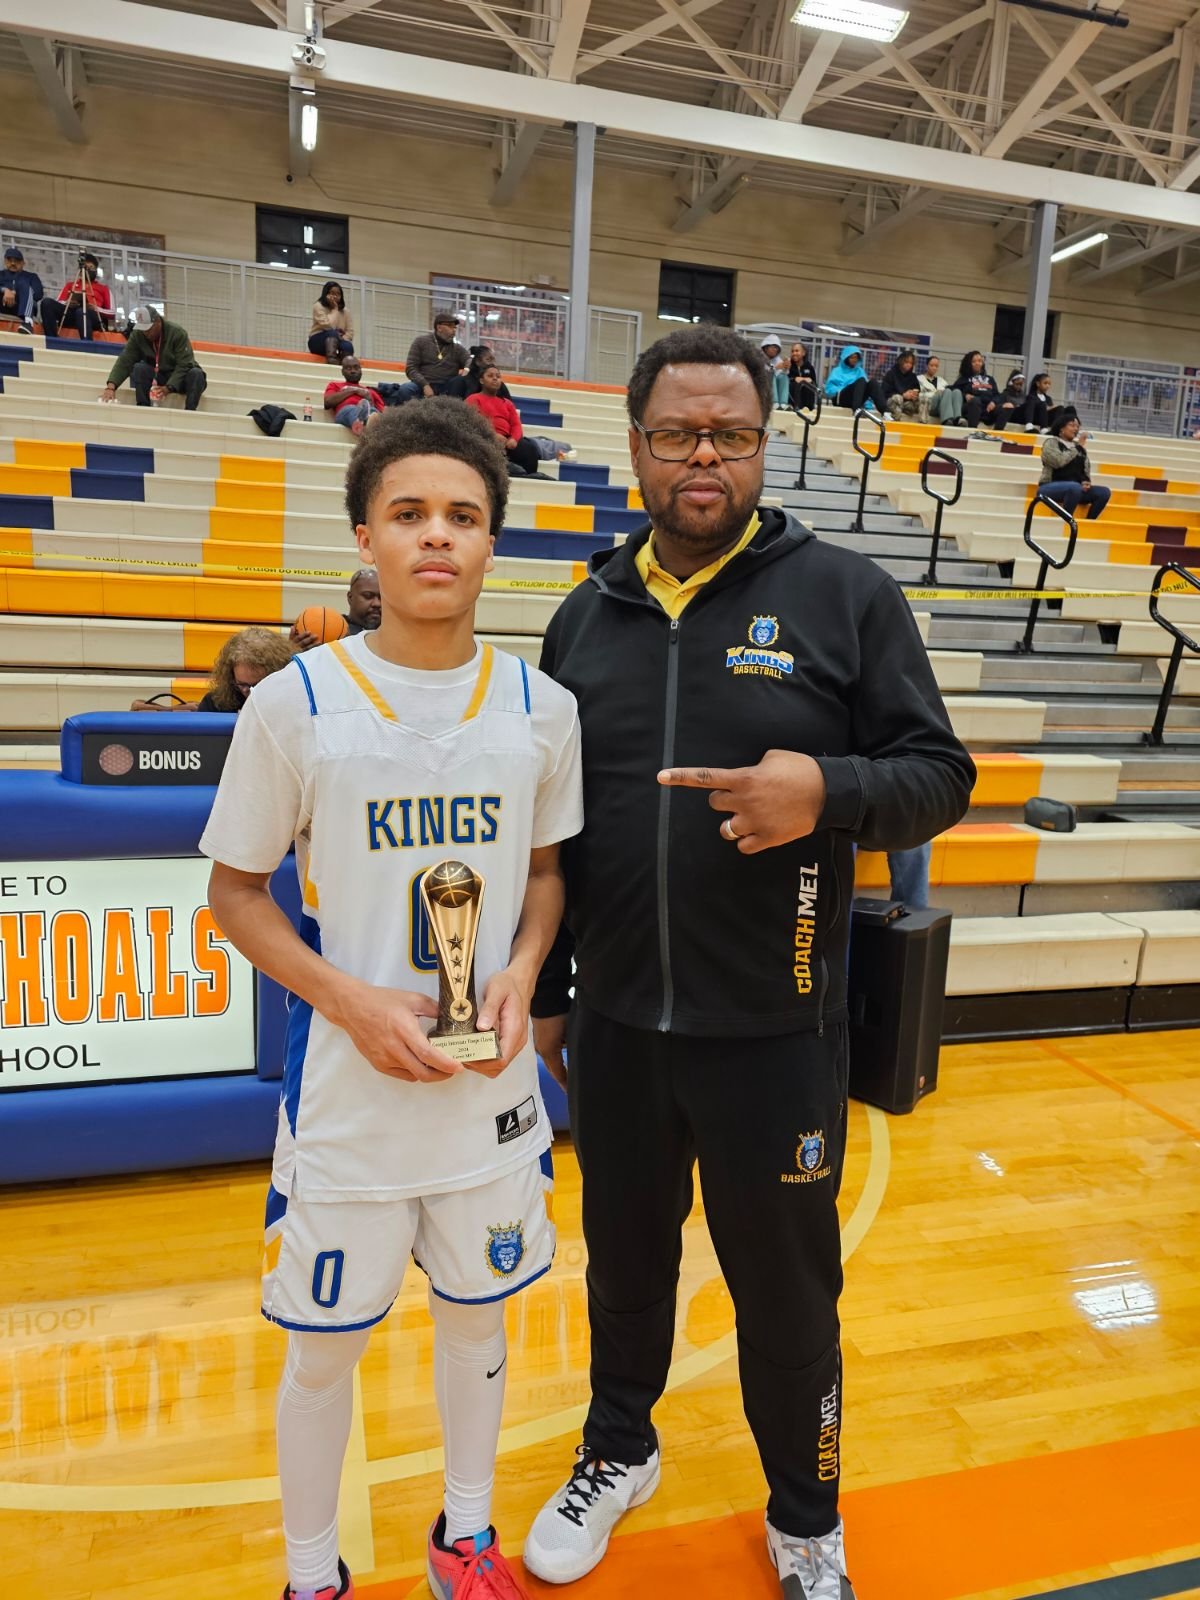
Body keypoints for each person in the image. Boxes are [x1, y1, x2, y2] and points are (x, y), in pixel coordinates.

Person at [522, 326, 975, 1599]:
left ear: (765, 445)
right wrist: (556, 995)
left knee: (788, 1298)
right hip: (616, 1027)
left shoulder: (846, 596)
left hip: (777, 1035)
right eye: (678, 435)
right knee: (623, 1267)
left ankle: (806, 1515)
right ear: (637, 450)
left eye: (729, 433)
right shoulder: (584, 615)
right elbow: (559, 834)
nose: (703, 457)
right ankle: (620, 1448)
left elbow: (940, 774)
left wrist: (823, 789)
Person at [201, 398, 583, 1600]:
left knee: (481, 1326)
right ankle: (311, 1574)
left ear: (491, 542)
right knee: (322, 1350)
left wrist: (520, 974)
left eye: (463, 517)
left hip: (488, 1095)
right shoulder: (296, 702)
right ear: (364, 535)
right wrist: (350, 1001)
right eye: (409, 513)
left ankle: (463, 1540)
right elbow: (237, 894)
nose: (437, 537)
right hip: (354, 1099)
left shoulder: (542, 707)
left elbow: (544, 877)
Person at [129, 626, 293, 712]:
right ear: (231, 677)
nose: (249, 692)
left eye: (257, 685)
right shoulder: (215, 703)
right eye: (242, 685)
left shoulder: (293, 700)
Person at [100, 305, 208, 410]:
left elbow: (184, 364)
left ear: (158, 322)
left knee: (196, 374)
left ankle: (190, 411)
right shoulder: (138, 334)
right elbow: (125, 360)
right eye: (143, 329)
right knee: (139, 368)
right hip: (160, 375)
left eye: (149, 329)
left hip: (181, 377)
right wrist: (111, 387)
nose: (146, 333)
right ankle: (143, 407)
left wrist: (169, 387)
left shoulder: (177, 333)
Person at [466, 364, 542, 476]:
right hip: (485, 438)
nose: (495, 378)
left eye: (498, 376)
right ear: (481, 380)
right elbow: (472, 422)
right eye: (490, 376)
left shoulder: (507, 403)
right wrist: (492, 435)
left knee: (529, 448)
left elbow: (516, 425)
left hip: (507, 442)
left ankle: (528, 477)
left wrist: (514, 439)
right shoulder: (473, 399)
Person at [1039, 411, 1111, 520]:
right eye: (1072, 425)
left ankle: (1089, 522)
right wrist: (1078, 447)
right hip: (1050, 487)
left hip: (1075, 489)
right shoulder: (1051, 443)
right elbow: (1059, 461)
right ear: (1061, 428)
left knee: (1104, 492)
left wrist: (1086, 481)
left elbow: (1084, 470)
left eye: (1077, 426)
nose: (1075, 429)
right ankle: (1066, 520)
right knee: (1074, 487)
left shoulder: (1079, 448)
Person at [289, 569, 382, 652]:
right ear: (350, 597)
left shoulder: (392, 635)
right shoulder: (327, 627)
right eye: (368, 596)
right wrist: (291, 652)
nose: (377, 603)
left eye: (382, 597)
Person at [391, 313, 471, 403]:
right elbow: (411, 368)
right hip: (422, 384)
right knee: (406, 389)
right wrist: (425, 385)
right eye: (450, 326)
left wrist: (467, 370)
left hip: (447, 387)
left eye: (454, 327)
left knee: (459, 381)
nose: (454, 330)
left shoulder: (457, 348)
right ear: (439, 328)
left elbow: (469, 360)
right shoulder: (421, 342)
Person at [40, 251, 113, 340]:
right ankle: (52, 339)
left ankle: (87, 344)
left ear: (96, 270)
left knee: (82, 311)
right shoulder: (71, 285)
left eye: (91, 267)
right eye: (86, 268)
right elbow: (59, 301)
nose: (88, 270)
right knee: (47, 303)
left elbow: (112, 313)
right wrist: (67, 303)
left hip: (92, 317)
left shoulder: (103, 288)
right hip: (71, 314)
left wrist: (95, 308)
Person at [324, 355, 384, 434]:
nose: (353, 371)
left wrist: (369, 399)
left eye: (356, 368)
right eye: (348, 368)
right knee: (352, 409)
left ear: (360, 370)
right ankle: (361, 424)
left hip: (369, 411)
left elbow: (382, 411)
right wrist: (353, 391)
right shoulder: (334, 385)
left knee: (373, 412)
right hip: (345, 412)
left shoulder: (370, 391)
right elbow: (327, 402)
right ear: (342, 371)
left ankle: (366, 425)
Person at [824, 344, 887, 414]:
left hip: (856, 400)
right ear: (846, 358)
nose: (854, 360)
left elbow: (865, 388)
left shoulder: (860, 371)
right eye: (852, 357)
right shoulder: (837, 371)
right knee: (861, 381)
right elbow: (828, 390)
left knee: (873, 382)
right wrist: (844, 389)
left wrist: (868, 405)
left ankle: (884, 412)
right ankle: (856, 410)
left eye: (856, 358)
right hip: (841, 398)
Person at [308, 282, 354, 363]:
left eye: (338, 294)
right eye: (332, 293)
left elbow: (350, 332)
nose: (335, 296)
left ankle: (346, 366)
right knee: (332, 333)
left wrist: (340, 338)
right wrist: (335, 309)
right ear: (326, 294)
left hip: (338, 340)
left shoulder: (345, 311)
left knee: (348, 346)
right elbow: (329, 326)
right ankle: (331, 360)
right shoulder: (318, 306)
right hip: (317, 341)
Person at [1, 246, 43, 333]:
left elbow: (38, 295)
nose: (13, 263)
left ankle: (28, 323)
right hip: (3, 304)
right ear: (5, 261)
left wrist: (16, 293)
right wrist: (5, 290)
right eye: (10, 260)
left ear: (23, 263)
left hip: (23, 306)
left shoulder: (31, 277)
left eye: (16, 261)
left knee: (24, 284)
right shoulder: (1, 274)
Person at [953, 351, 1000, 431]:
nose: (977, 363)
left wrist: (993, 402)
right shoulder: (964, 379)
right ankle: (972, 430)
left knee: (1005, 407)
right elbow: (955, 391)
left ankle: (999, 432)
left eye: (979, 361)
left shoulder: (990, 379)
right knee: (975, 400)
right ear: (968, 364)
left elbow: (997, 395)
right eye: (974, 361)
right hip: (971, 407)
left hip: (988, 409)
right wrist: (965, 395)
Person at [917, 355, 965, 425]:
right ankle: (947, 419)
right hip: (929, 405)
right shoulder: (919, 379)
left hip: (941, 407)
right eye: (932, 365)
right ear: (926, 366)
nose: (934, 368)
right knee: (946, 391)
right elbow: (919, 395)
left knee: (956, 392)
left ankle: (957, 418)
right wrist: (936, 394)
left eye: (936, 366)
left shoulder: (942, 381)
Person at [881, 348, 922, 420]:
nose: (909, 365)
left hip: (907, 404)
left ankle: (923, 423)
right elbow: (884, 392)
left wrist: (913, 395)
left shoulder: (913, 376)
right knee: (897, 398)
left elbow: (917, 390)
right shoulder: (891, 374)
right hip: (892, 402)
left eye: (911, 363)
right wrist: (903, 395)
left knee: (924, 398)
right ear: (901, 361)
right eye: (906, 362)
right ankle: (895, 421)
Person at [760, 335, 789, 409]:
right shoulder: (759, 357)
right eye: (773, 347)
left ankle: (783, 403)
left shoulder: (778, 360)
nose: (775, 350)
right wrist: (775, 368)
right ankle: (774, 402)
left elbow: (781, 375)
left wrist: (785, 368)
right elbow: (761, 373)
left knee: (783, 377)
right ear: (766, 348)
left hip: (772, 387)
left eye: (777, 348)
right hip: (761, 387)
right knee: (771, 375)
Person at [787, 342, 817, 412]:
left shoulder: (809, 367)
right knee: (797, 384)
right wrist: (795, 379)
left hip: (806, 400)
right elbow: (787, 378)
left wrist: (805, 380)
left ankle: (809, 408)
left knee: (809, 385)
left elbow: (814, 382)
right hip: (792, 399)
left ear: (803, 353)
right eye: (792, 351)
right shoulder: (789, 365)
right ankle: (796, 407)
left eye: (797, 351)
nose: (794, 353)